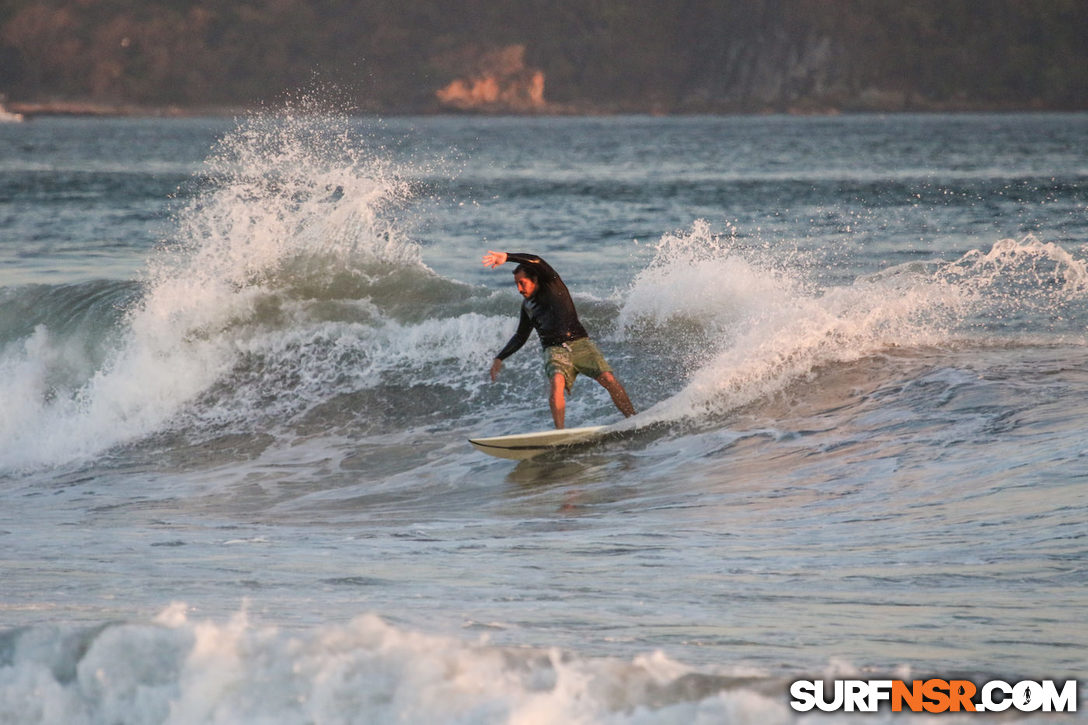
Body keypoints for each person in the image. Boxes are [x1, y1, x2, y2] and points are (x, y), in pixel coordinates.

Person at [483, 250, 636, 429]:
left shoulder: (552, 283)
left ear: (535, 279)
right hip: (553, 349)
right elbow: (520, 336)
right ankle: (560, 434)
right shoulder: (527, 306)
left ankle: (633, 419)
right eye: (516, 284)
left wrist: (507, 257)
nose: (519, 289)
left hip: (580, 343)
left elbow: (537, 261)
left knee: (609, 379)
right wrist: (500, 357)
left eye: (522, 283)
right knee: (556, 382)